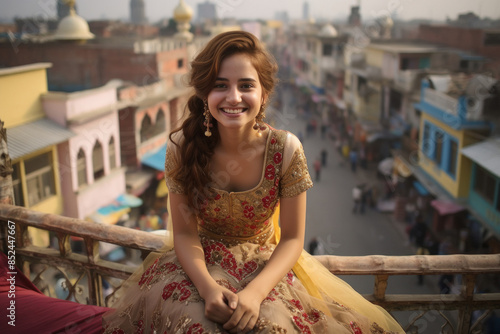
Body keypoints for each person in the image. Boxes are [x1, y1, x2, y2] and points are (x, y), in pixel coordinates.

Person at [102, 31, 403, 333]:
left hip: (265, 267)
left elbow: (293, 239)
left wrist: (256, 294)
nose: (234, 97)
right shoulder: (182, 147)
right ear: (205, 94)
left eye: (246, 85)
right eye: (221, 86)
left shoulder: (285, 150)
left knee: (273, 327)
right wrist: (207, 289)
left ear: (263, 94)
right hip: (198, 266)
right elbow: (183, 233)